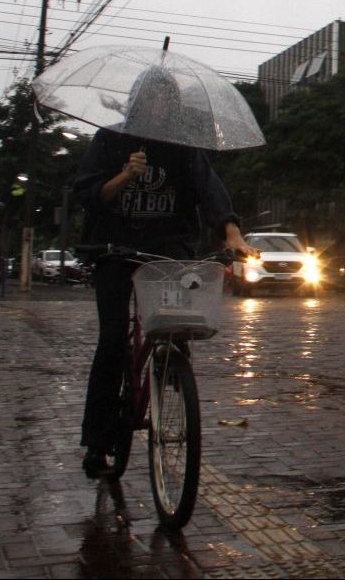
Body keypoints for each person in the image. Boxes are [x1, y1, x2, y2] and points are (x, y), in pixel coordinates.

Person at [72, 65, 256, 478]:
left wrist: (232, 233)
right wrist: (125, 175)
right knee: (113, 341)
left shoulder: (182, 148)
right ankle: (97, 443)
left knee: (177, 323)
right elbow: (90, 196)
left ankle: (171, 366)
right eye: (151, 98)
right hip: (113, 250)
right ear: (138, 102)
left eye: (165, 99)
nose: (157, 106)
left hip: (166, 250)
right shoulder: (110, 140)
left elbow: (210, 191)